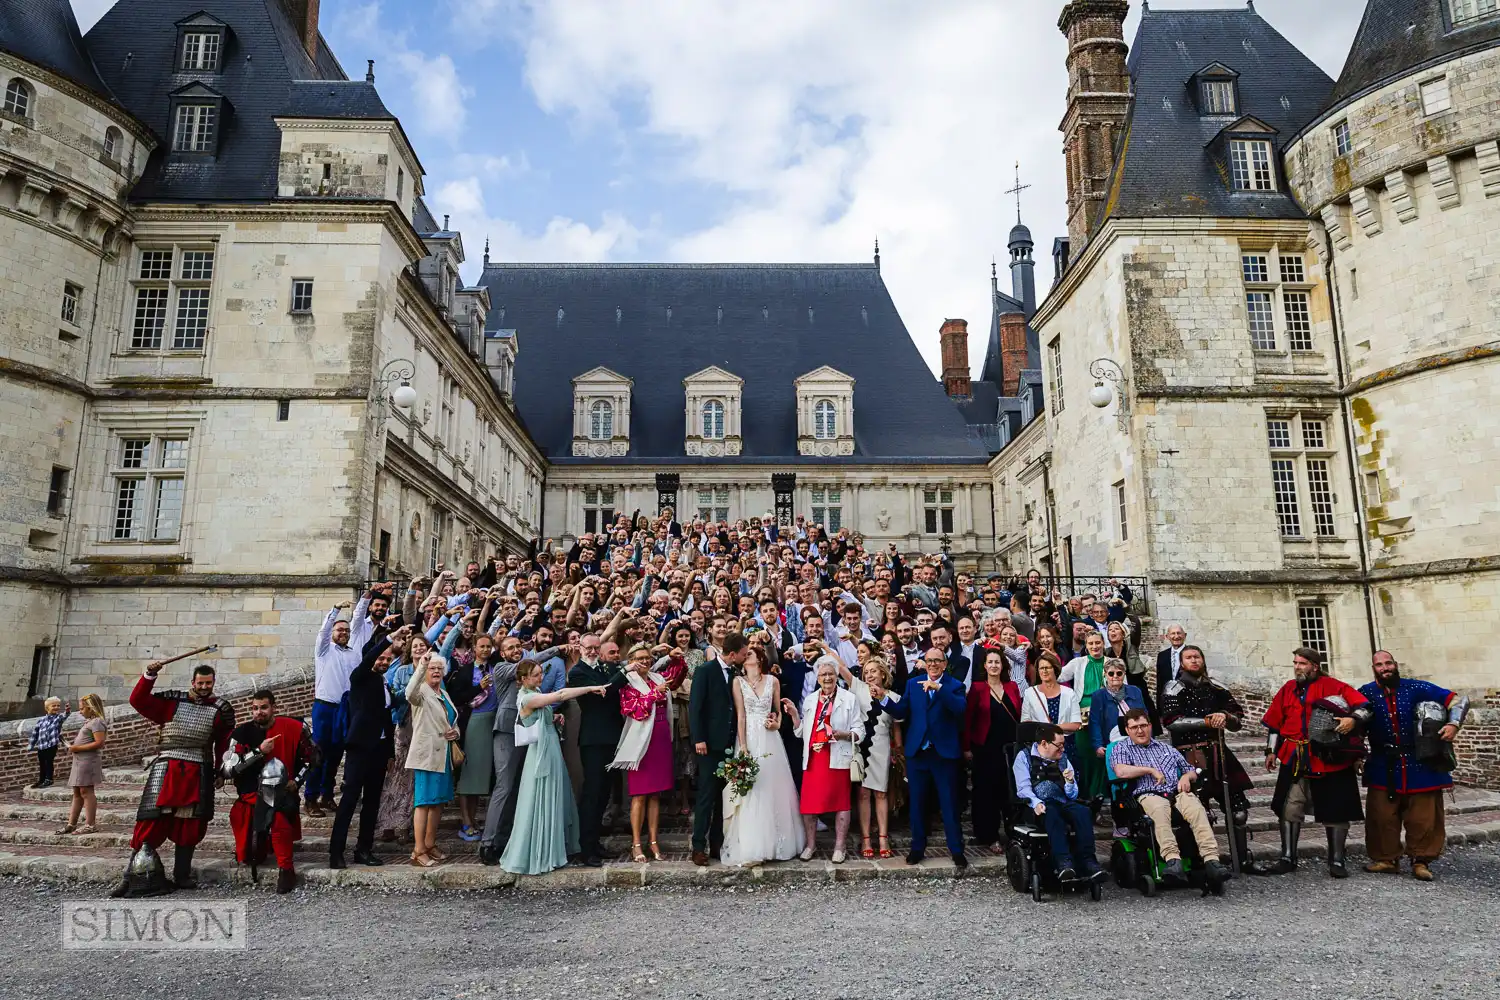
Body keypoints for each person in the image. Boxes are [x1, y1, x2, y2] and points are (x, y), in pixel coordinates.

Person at [111, 661, 234, 897]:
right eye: (201, 683)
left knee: (191, 824)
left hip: (199, 767)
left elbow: (223, 743)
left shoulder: (221, 709)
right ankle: (130, 877)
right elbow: (138, 700)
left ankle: (182, 874)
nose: (204, 687)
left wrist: (220, 771)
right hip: (167, 766)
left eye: (208, 683)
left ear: (214, 683)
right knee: (150, 821)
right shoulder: (172, 702)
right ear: (193, 682)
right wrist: (150, 674)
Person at [1252, 647, 1373, 879]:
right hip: (1294, 755)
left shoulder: (1336, 687)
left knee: (1336, 807)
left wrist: (1352, 719)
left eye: (1302, 663)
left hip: (1329, 755)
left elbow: (1366, 708)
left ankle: (1337, 860)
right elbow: (1276, 722)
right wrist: (1270, 751)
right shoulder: (1288, 689)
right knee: (1289, 807)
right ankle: (1287, 857)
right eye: (1295, 663)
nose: (1297, 667)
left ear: (1315, 666)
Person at [1358, 650, 1467, 881]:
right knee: (1381, 816)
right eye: (1380, 665)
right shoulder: (1366, 693)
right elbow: (1356, 723)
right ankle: (1386, 859)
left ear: (1395, 665)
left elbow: (1457, 700)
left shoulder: (1416, 687)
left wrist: (1454, 724)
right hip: (1382, 763)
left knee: (1424, 816)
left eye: (1388, 663)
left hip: (1421, 761)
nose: (1385, 668)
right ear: (1373, 668)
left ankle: (1421, 861)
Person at [501, 656, 606, 876]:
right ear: (523, 678)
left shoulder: (534, 696)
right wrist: (589, 688)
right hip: (541, 753)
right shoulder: (526, 698)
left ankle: (554, 849)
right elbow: (560, 695)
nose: (541, 677)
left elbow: (545, 710)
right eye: (536, 675)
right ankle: (539, 853)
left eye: (541, 673)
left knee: (555, 797)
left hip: (550, 748)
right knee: (540, 799)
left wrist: (554, 717)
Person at [1109, 710, 1231, 885]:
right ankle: (1173, 860)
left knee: (1198, 810)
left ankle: (1211, 860)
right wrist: (1149, 770)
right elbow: (1120, 770)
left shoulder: (1166, 748)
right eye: (1134, 727)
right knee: (1159, 810)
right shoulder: (1122, 748)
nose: (1140, 731)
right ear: (1127, 730)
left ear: (1150, 726)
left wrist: (1186, 777)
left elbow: (1191, 770)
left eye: (1143, 726)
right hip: (1148, 793)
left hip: (1177, 792)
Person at [1160, 645, 1253, 868]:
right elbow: (1171, 721)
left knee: (1238, 810)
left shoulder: (1217, 688)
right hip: (1188, 755)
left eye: (1197, 657)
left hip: (1219, 753)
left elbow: (1237, 719)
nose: (1194, 661)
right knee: (1197, 812)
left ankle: (1241, 860)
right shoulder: (1173, 688)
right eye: (1189, 657)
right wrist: (1207, 721)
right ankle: (1204, 863)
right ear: (1181, 663)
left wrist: (1225, 716)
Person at [478, 637, 567, 865]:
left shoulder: (530, 679)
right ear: (502, 652)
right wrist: (556, 649)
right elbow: (523, 666)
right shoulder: (501, 668)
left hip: (529, 735)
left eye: (518, 647)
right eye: (510, 648)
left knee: (518, 788)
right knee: (504, 786)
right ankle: (487, 842)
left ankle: (507, 839)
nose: (516, 650)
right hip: (507, 731)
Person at [880, 647, 968, 868]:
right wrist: (883, 699)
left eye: (937, 661)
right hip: (918, 753)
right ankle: (917, 848)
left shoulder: (955, 685)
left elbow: (960, 709)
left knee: (949, 804)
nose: (933, 664)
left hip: (944, 754)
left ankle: (956, 850)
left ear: (945, 663)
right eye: (929, 661)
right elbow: (901, 711)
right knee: (917, 804)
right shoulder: (913, 684)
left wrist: (939, 689)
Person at [222, 689, 317, 894]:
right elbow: (228, 770)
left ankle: (286, 869)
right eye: (255, 708)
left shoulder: (295, 727)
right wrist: (258, 752)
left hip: (282, 793)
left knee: (280, 818)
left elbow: (313, 758)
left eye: (264, 707)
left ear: (274, 707)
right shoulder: (241, 733)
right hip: (250, 796)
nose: (259, 712)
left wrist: (297, 781)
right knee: (249, 855)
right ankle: (261, 845)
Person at [721, 645, 806, 866]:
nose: (745, 656)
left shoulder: (773, 681)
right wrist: (743, 745)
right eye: (744, 654)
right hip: (749, 736)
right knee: (752, 790)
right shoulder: (738, 682)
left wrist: (776, 723)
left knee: (773, 786)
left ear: (759, 658)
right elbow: (740, 715)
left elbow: (777, 712)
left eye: (749, 654)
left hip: (770, 739)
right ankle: (753, 845)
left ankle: (779, 843)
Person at [331, 626, 405, 870]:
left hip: (379, 750)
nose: (383, 661)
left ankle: (364, 849)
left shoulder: (384, 683)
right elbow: (371, 657)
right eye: (380, 658)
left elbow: (387, 716)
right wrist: (389, 639)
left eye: (387, 659)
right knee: (349, 800)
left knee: (372, 802)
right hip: (360, 749)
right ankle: (336, 851)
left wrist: (391, 754)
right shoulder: (360, 677)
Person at [784, 656, 862, 863]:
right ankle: (810, 845)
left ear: (837, 676)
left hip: (837, 757)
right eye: (823, 674)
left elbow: (859, 731)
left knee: (841, 803)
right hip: (814, 758)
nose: (827, 678)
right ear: (817, 678)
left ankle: (840, 846)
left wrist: (841, 734)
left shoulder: (849, 699)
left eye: (830, 674)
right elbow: (802, 733)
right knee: (809, 805)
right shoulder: (810, 700)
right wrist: (794, 715)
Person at [610, 643, 681, 862]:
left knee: (656, 793)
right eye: (640, 658)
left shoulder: (658, 678)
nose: (645, 662)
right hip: (641, 740)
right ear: (631, 660)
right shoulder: (627, 681)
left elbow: (677, 677)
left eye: (648, 658)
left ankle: (653, 840)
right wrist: (652, 694)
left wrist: (676, 659)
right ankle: (636, 843)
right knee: (639, 794)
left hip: (660, 735)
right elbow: (632, 709)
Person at [1013, 723, 1102, 881]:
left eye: (1063, 744)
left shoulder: (1063, 760)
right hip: (1037, 805)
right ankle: (1063, 862)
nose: (1062, 749)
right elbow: (1023, 788)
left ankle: (1088, 860)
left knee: (1083, 812)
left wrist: (1069, 782)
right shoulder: (1023, 757)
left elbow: (1073, 795)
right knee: (1052, 812)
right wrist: (1035, 803)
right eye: (1059, 745)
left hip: (1062, 801)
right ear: (1044, 744)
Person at [689, 631, 748, 867]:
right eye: (743, 654)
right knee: (706, 796)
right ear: (732, 654)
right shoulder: (705, 671)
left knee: (723, 797)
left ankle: (717, 842)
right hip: (708, 745)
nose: (745, 658)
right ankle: (698, 846)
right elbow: (696, 707)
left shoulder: (734, 673)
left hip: (728, 744)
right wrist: (699, 738)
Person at [570, 631, 629, 867]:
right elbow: (604, 692)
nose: (593, 652)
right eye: (589, 648)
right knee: (592, 794)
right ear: (580, 648)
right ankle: (586, 848)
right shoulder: (577, 672)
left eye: (597, 648)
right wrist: (624, 673)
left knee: (604, 793)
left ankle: (595, 843)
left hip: (611, 737)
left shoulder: (604, 668)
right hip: (593, 740)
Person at [307, 595, 368, 816]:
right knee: (319, 753)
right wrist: (334, 611)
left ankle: (327, 795)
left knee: (336, 753)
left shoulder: (354, 654)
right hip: (325, 707)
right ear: (333, 634)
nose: (343, 633)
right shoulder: (324, 650)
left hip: (345, 708)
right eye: (339, 630)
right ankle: (310, 798)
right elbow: (323, 634)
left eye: (346, 631)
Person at [404, 652, 462, 868]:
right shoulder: (421, 693)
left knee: (438, 802)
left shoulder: (444, 694)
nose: (436, 671)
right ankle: (418, 850)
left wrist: (455, 732)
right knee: (424, 802)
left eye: (439, 668)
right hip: (427, 756)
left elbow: (451, 721)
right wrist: (421, 666)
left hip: (443, 755)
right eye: (432, 668)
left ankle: (430, 844)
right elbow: (409, 692)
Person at [965, 647, 1022, 852]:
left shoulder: (1012, 686)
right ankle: (989, 836)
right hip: (985, 748)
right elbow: (968, 719)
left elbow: (1019, 715)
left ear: (1003, 665)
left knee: (1008, 792)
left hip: (1009, 749)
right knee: (986, 794)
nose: (994, 666)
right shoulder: (977, 688)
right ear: (985, 665)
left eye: (997, 662)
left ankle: (1012, 833)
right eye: (990, 662)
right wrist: (967, 747)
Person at [844, 655, 900, 860]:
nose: (869, 675)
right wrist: (824, 646)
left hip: (882, 746)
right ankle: (866, 838)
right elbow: (841, 667)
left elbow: (897, 726)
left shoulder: (893, 697)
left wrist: (898, 750)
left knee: (881, 793)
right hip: (862, 747)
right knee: (863, 794)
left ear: (883, 674)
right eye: (866, 671)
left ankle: (883, 837)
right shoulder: (858, 689)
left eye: (873, 671)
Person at [1060, 629, 1109, 801]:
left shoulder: (1112, 662)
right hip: (1082, 713)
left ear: (1103, 643)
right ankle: (1087, 793)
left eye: (1098, 642)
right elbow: (1059, 676)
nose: (1095, 646)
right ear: (1086, 646)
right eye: (1091, 643)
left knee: (1101, 753)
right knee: (1085, 752)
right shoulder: (1078, 663)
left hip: (1105, 712)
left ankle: (1100, 793)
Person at [1088, 658, 1146, 775]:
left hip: (1137, 738)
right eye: (1111, 673)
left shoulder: (1135, 691)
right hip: (1113, 741)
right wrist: (1098, 745)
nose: (1115, 676)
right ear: (1105, 675)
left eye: (1119, 673)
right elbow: (1095, 722)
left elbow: (1145, 716)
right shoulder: (1098, 696)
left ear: (1124, 674)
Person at [60, 694, 107, 835]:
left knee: (86, 791)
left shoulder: (97, 722)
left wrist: (76, 748)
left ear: (91, 708)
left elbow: (99, 743)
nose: (80, 712)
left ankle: (90, 824)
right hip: (79, 761)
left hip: (88, 761)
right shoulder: (89, 722)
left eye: (82, 709)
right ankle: (71, 823)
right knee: (77, 792)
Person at [1020, 652, 1081, 743]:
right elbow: (1025, 722)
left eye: (1048, 667)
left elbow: (1076, 724)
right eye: (1041, 668)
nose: (1044, 671)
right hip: (1040, 743)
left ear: (1055, 669)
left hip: (1064, 743)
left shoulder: (1069, 693)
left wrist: (1053, 728)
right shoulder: (1029, 693)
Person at [26, 697, 68, 789]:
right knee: (42, 763)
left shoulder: (58, 718)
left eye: (58, 705)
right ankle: (41, 779)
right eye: (54, 705)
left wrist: (67, 711)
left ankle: (49, 779)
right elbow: (35, 734)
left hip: (52, 745)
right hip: (41, 746)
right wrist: (31, 745)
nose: (56, 707)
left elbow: (65, 716)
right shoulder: (41, 721)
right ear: (47, 708)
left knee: (49, 762)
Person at [1155, 624, 1188, 707]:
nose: (1176, 636)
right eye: (1173, 633)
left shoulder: (1192, 653)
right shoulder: (1162, 655)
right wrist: (1159, 705)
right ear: (1167, 636)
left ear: (1185, 635)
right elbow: (1160, 682)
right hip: (1167, 702)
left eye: (1179, 633)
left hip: (1188, 699)